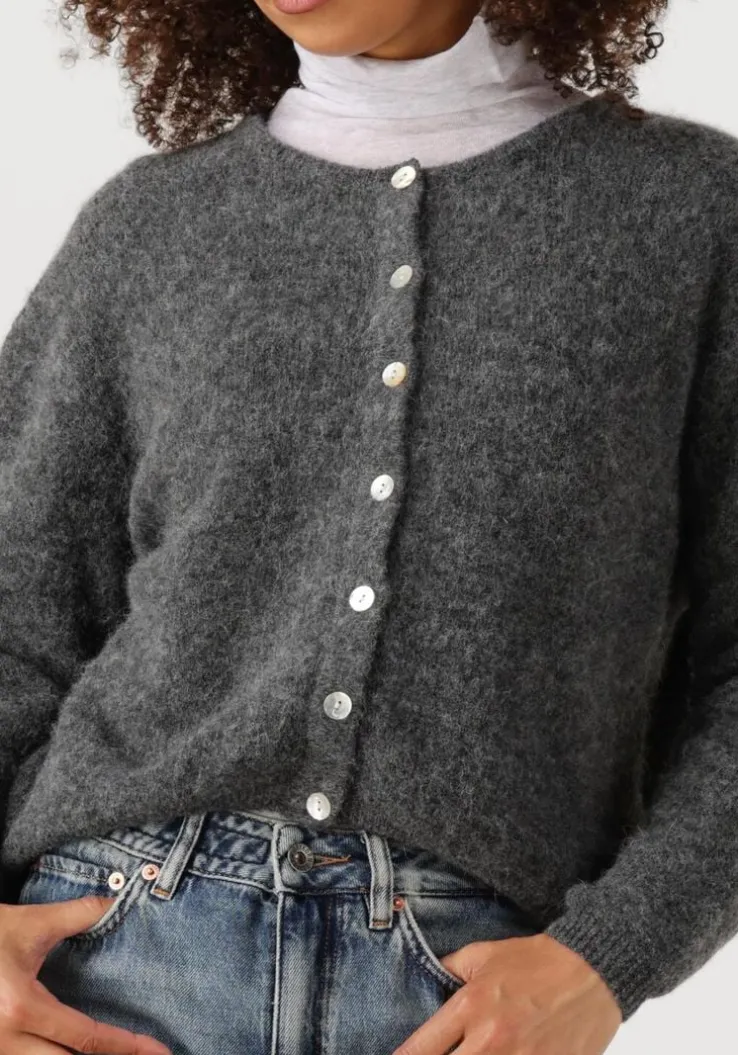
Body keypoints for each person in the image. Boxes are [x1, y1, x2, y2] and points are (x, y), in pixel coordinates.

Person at [2, 0, 738, 1053]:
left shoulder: (690, 213)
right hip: (103, 957)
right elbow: (16, 614)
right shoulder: (150, 227)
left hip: (469, 995)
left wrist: (612, 955)